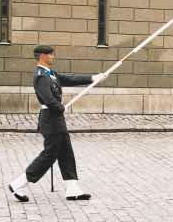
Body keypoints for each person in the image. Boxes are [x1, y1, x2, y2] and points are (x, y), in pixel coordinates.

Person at [9, 45, 106, 202]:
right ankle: (18, 184)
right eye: (50, 54)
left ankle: (72, 188)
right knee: (49, 155)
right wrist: (60, 107)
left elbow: (69, 78)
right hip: (50, 119)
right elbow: (47, 98)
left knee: (66, 152)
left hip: (56, 118)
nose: (53, 56)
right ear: (42, 56)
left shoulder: (51, 74)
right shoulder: (40, 76)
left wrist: (93, 78)